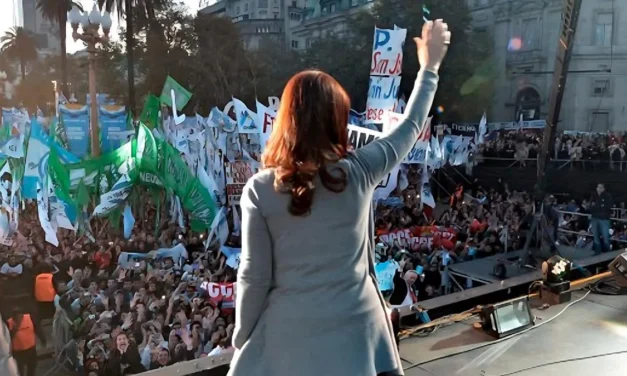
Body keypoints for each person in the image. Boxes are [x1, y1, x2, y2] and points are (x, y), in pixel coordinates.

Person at [228, 19, 450, 376]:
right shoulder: (361, 170)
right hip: (360, 335)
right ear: (338, 120)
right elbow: (410, 127)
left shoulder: (259, 189)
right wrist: (430, 68)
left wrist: (243, 338)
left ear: (287, 120)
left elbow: (254, 278)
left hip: (288, 337)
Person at [7, 307, 46, 376]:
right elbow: (8, 338)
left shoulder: (30, 318)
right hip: (18, 352)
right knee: (19, 371)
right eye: (16, 317)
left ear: (22, 315)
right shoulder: (9, 323)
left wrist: (42, 339)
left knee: (31, 368)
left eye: (19, 316)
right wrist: (15, 328)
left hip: (30, 350)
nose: (18, 319)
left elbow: (37, 329)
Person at [590, 183, 614, 254]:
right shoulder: (593, 195)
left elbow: (608, 206)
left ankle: (607, 253)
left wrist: (598, 207)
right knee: (596, 237)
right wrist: (599, 207)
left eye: (601, 187)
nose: (599, 189)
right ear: (596, 188)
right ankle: (597, 252)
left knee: (605, 238)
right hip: (595, 218)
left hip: (604, 219)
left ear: (604, 189)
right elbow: (591, 206)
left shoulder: (607, 196)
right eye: (598, 187)